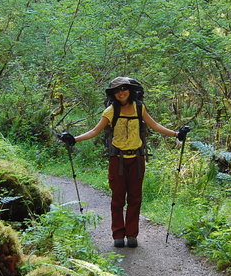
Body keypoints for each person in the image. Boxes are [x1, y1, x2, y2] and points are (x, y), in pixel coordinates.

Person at [59, 77, 190, 248]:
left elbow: (155, 125)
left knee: (135, 198)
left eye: (124, 89)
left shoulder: (139, 108)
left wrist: (177, 134)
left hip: (136, 159)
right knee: (118, 199)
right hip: (117, 160)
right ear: (113, 94)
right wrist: (73, 139)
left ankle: (132, 235)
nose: (121, 92)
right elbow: (95, 130)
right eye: (117, 90)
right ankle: (118, 235)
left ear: (130, 91)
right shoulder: (110, 111)